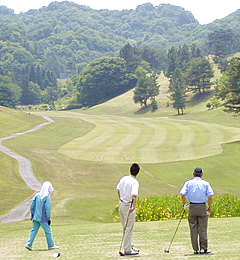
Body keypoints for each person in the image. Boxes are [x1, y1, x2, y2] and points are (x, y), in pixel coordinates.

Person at [180, 167, 214, 255]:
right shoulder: (205, 183)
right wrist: (209, 207)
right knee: (202, 229)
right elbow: (210, 196)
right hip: (202, 206)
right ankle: (203, 248)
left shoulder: (188, 183)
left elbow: (183, 194)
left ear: (193, 174)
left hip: (192, 206)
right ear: (201, 175)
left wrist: (184, 204)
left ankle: (195, 249)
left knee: (193, 229)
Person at [25, 181, 59, 251]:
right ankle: (51, 245)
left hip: (35, 217)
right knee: (48, 231)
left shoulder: (36, 195)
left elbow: (32, 207)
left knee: (34, 230)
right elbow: (47, 209)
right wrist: (48, 218)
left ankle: (28, 244)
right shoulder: (46, 198)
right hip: (43, 218)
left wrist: (32, 215)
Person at [116, 163, 140, 255]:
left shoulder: (123, 178)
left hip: (121, 204)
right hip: (128, 206)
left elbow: (118, 190)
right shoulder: (135, 182)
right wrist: (133, 207)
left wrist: (121, 200)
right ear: (137, 173)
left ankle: (129, 245)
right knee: (128, 228)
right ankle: (127, 250)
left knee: (125, 227)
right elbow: (134, 195)